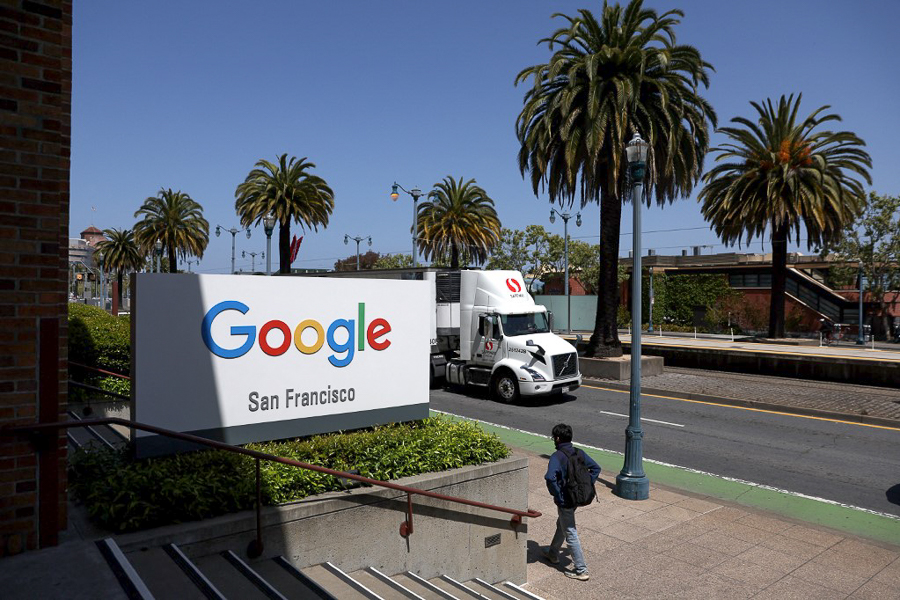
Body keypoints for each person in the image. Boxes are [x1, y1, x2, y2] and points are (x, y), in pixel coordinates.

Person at [541, 423, 601, 581]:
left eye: (554, 437)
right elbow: (596, 468)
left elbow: (549, 477)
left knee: (570, 531)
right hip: (576, 497)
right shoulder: (579, 452)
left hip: (566, 499)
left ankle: (581, 569)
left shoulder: (557, 456)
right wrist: (586, 485)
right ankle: (553, 553)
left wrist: (558, 494)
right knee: (561, 524)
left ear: (558, 438)